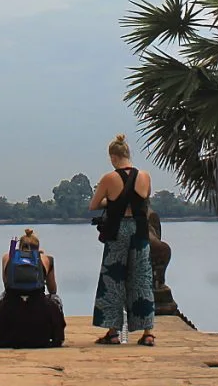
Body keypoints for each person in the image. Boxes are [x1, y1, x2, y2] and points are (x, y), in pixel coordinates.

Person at [88, 134, 156, 346]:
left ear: (113, 157)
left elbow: (94, 205)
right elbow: (144, 201)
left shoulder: (109, 178)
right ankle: (147, 332)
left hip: (118, 229)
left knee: (113, 278)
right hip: (140, 230)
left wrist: (112, 201)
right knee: (142, 278)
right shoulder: (145, 176)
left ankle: (113, 331)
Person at [0, 228, 65, 349]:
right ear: (37, 247)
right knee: (55, 298)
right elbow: (53, 289)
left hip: (11, 309)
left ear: (20, 245)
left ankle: (1, 334)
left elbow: (6, 284)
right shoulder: (47, 259)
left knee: (3, 297)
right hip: (38, 313)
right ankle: (56, 337)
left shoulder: (7, 257)